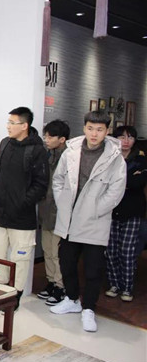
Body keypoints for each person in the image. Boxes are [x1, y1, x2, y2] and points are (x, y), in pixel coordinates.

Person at [50, 111, 126, 332]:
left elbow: (116, 190)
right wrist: (62, 202)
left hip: (95, 220)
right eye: (90, 128)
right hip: (69, 219)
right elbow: (58, 179)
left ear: (107, 131)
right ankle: (72, 299)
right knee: (66, 262)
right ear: (84, 128)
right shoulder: (71, 151)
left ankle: (89, 309)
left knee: (93, 269)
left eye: (99, 129)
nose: (94, 134)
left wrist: (96, 209)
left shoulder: (115, 158)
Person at [0, 106, 49, 310]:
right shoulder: (5, 143)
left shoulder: (37, 150)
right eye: (8, 122)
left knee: (20, 259)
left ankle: (15, 295)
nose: (8, 126)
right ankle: (0, 290)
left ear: (24, 126)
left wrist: (22, 202)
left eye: (12, 123)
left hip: (22, 218)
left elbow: (41, 185)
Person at [105, 125, 147, 302]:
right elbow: (104, 181)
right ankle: (114, 284)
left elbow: (138, 183)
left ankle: (127, 288)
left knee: (127, 251)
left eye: (130, 137)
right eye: (122, 137)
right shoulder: (109, 157)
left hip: (132, 211)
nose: (126, 141)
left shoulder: (141, 159)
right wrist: (127, 181)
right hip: (111, 210)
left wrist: (119, 182)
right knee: (111, 251)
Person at [37, 120, 70, 306]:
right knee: (47, 250)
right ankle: (51, 281)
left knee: (58, 253)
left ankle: (61, 286)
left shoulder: (69, 158)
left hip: (60, 213)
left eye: (50, 137)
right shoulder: (48, 155)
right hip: (46, 210)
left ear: (62, 139)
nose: (46, 140)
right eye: (46, 136)